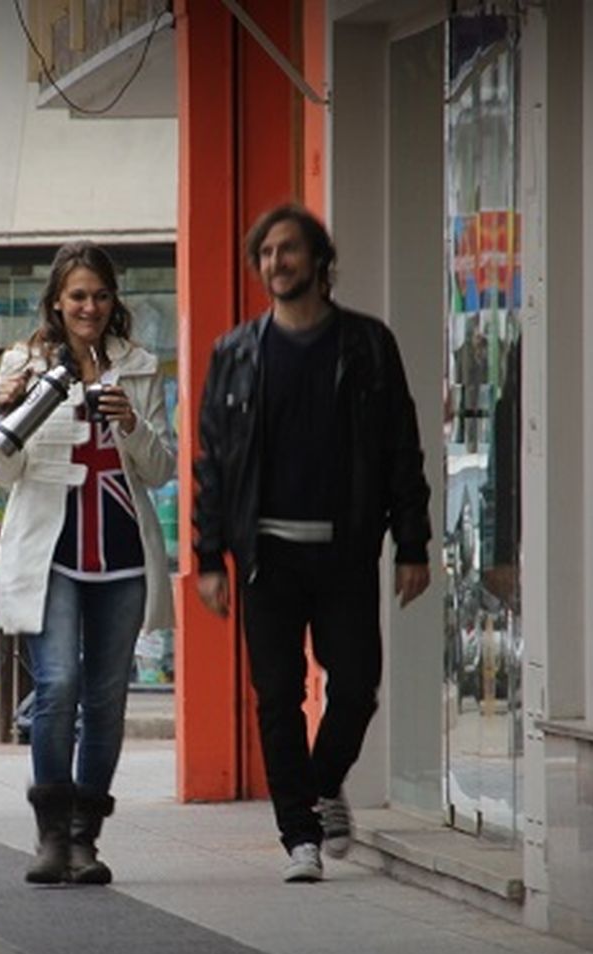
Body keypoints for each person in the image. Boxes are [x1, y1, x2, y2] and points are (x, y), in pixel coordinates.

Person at [193, 203, 432, 883]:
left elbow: (400, 449)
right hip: (267, 553)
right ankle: (299, 834)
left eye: (289, 250)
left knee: (356, 685)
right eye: (266, 253)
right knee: (278, 696)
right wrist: (210, 557)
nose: (276, 262)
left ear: (320, 261)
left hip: (346, 549)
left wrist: (412, 542)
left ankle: (321, 788)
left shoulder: (367, 345)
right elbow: (214, 462)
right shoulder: (236, 352)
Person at [0, 240, 175, 885]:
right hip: (53, 552)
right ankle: (48, 835)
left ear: (112, 299)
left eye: (99, 295)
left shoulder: (141, 366)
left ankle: (83, 837)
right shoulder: (23, 362)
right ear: (56, 301)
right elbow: (1, 469)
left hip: (121, 552)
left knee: (107, 697)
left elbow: (162, 469)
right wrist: (9, 411)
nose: (89, 307)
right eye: (77, 296)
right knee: (59, 684)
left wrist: (131, 426)